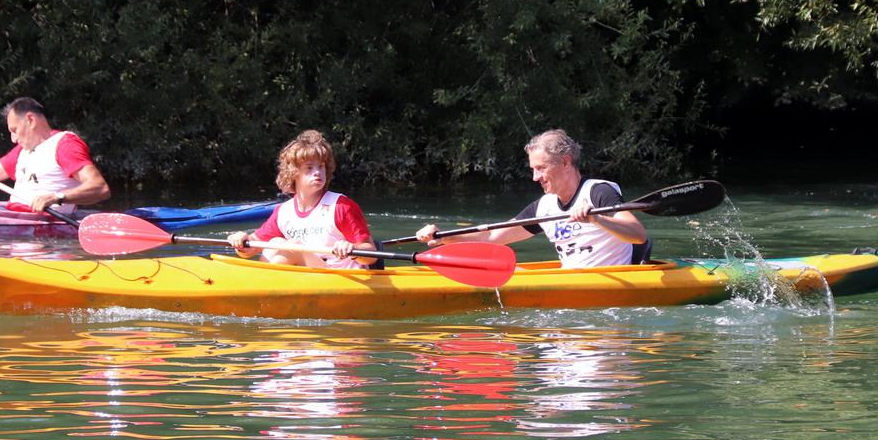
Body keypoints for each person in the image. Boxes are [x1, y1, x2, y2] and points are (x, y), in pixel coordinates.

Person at [415, 129, 648, 268]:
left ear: (566, 162)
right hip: (573, 292)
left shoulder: (598, 192)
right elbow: (492, 236)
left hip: (612, 291)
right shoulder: (544, 207)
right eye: (533, 169)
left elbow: (638, 235)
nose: (535, 177)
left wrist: (598, 220)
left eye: (541, 168)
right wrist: (445, 236)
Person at [228, 130, 377, 268]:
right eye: (309, 168)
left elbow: (371, 255)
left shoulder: (341, 206)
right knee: (274, 243)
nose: (318, 172)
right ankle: (264, 286)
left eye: (321, 167)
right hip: (308, 278)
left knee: (293, 246)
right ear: (294, 173)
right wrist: (241, 241)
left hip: (342, 280)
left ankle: (261, 286)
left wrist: (353, 248)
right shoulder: (284, 212)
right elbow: (250, 249)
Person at [0, 97, 110, 213]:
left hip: (45, 230)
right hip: (16, 219)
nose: (13, 139)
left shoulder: (64, 145)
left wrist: (57, 197)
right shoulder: (23, 151)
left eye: (14, 130)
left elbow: (100, 188)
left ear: (30, 120)